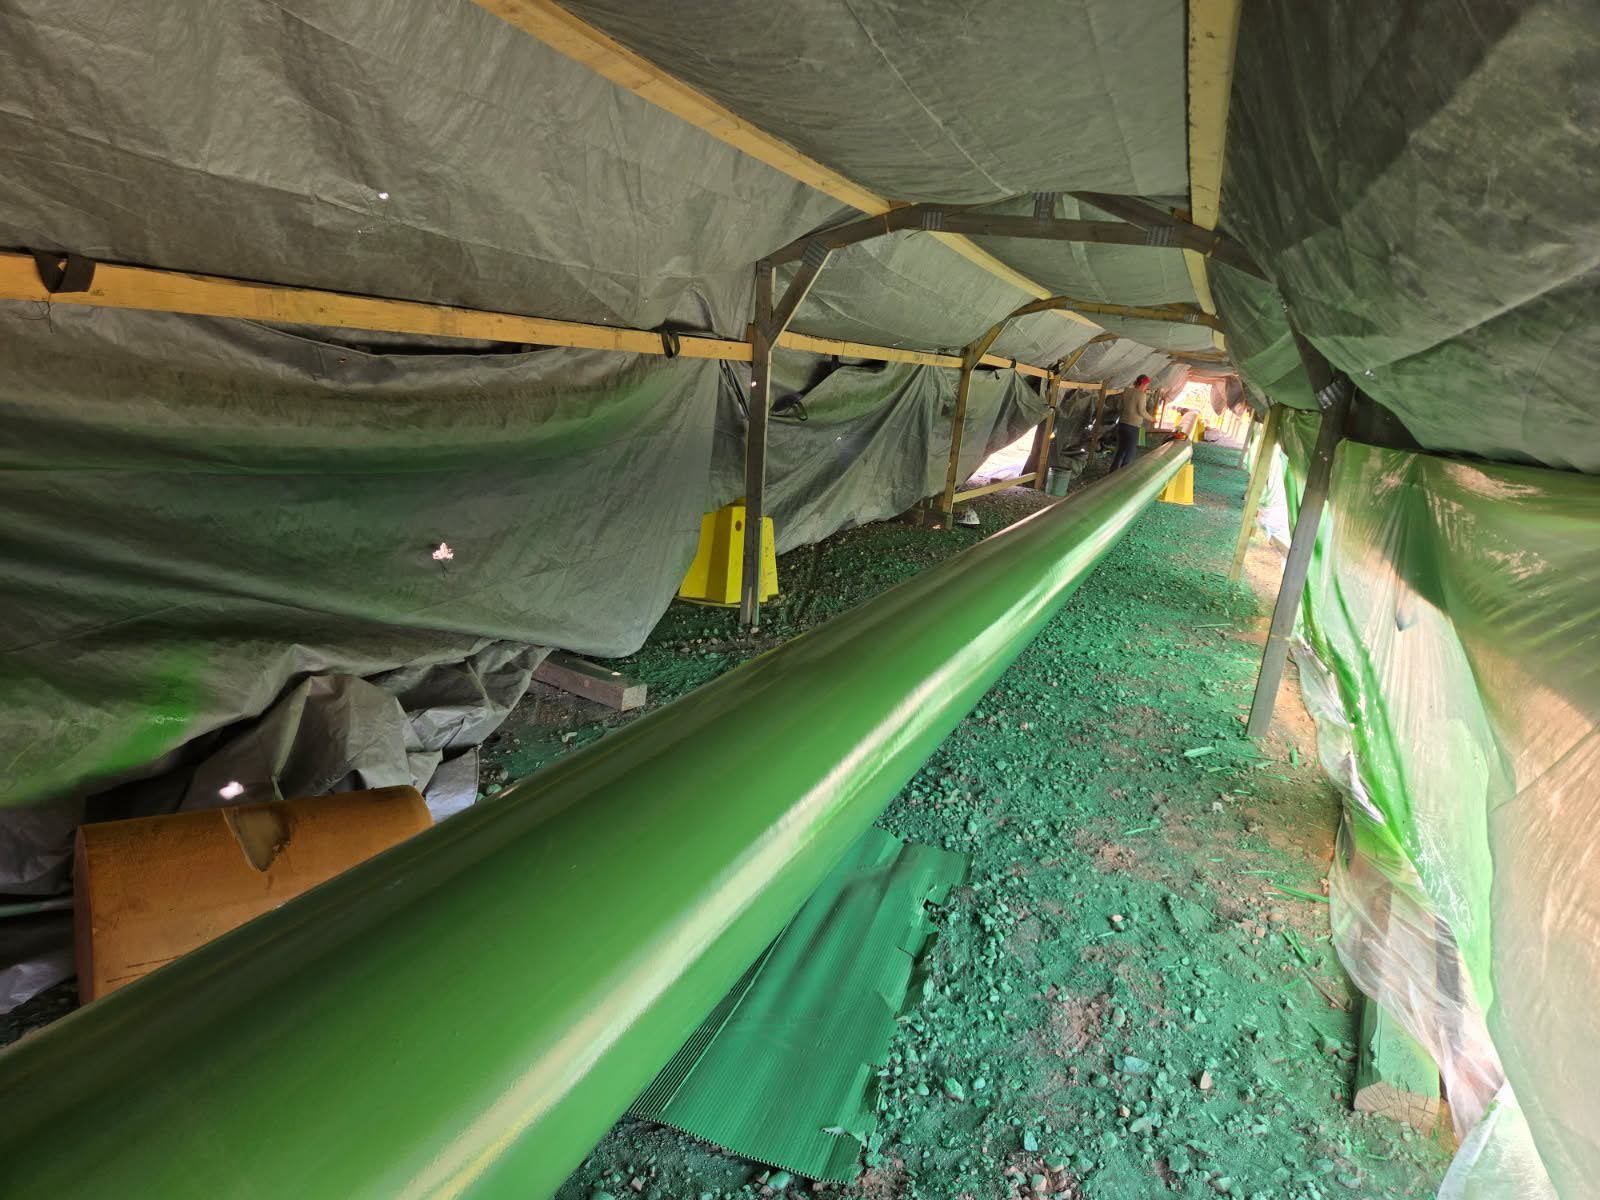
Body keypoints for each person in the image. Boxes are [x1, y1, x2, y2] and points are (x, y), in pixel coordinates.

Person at [1109, 374, 1154, 470]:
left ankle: (1112, 472)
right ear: (1143, 384)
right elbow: (1142, 411)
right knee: (1130, 452)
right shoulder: (1142, 395)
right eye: (1146, 385)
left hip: (1122, 424)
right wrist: (1152, 419)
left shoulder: (1126, 391)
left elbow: (1120, 407)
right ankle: (1123, 473)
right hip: (1133, 426)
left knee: (1120, 450)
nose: (1147, 387)